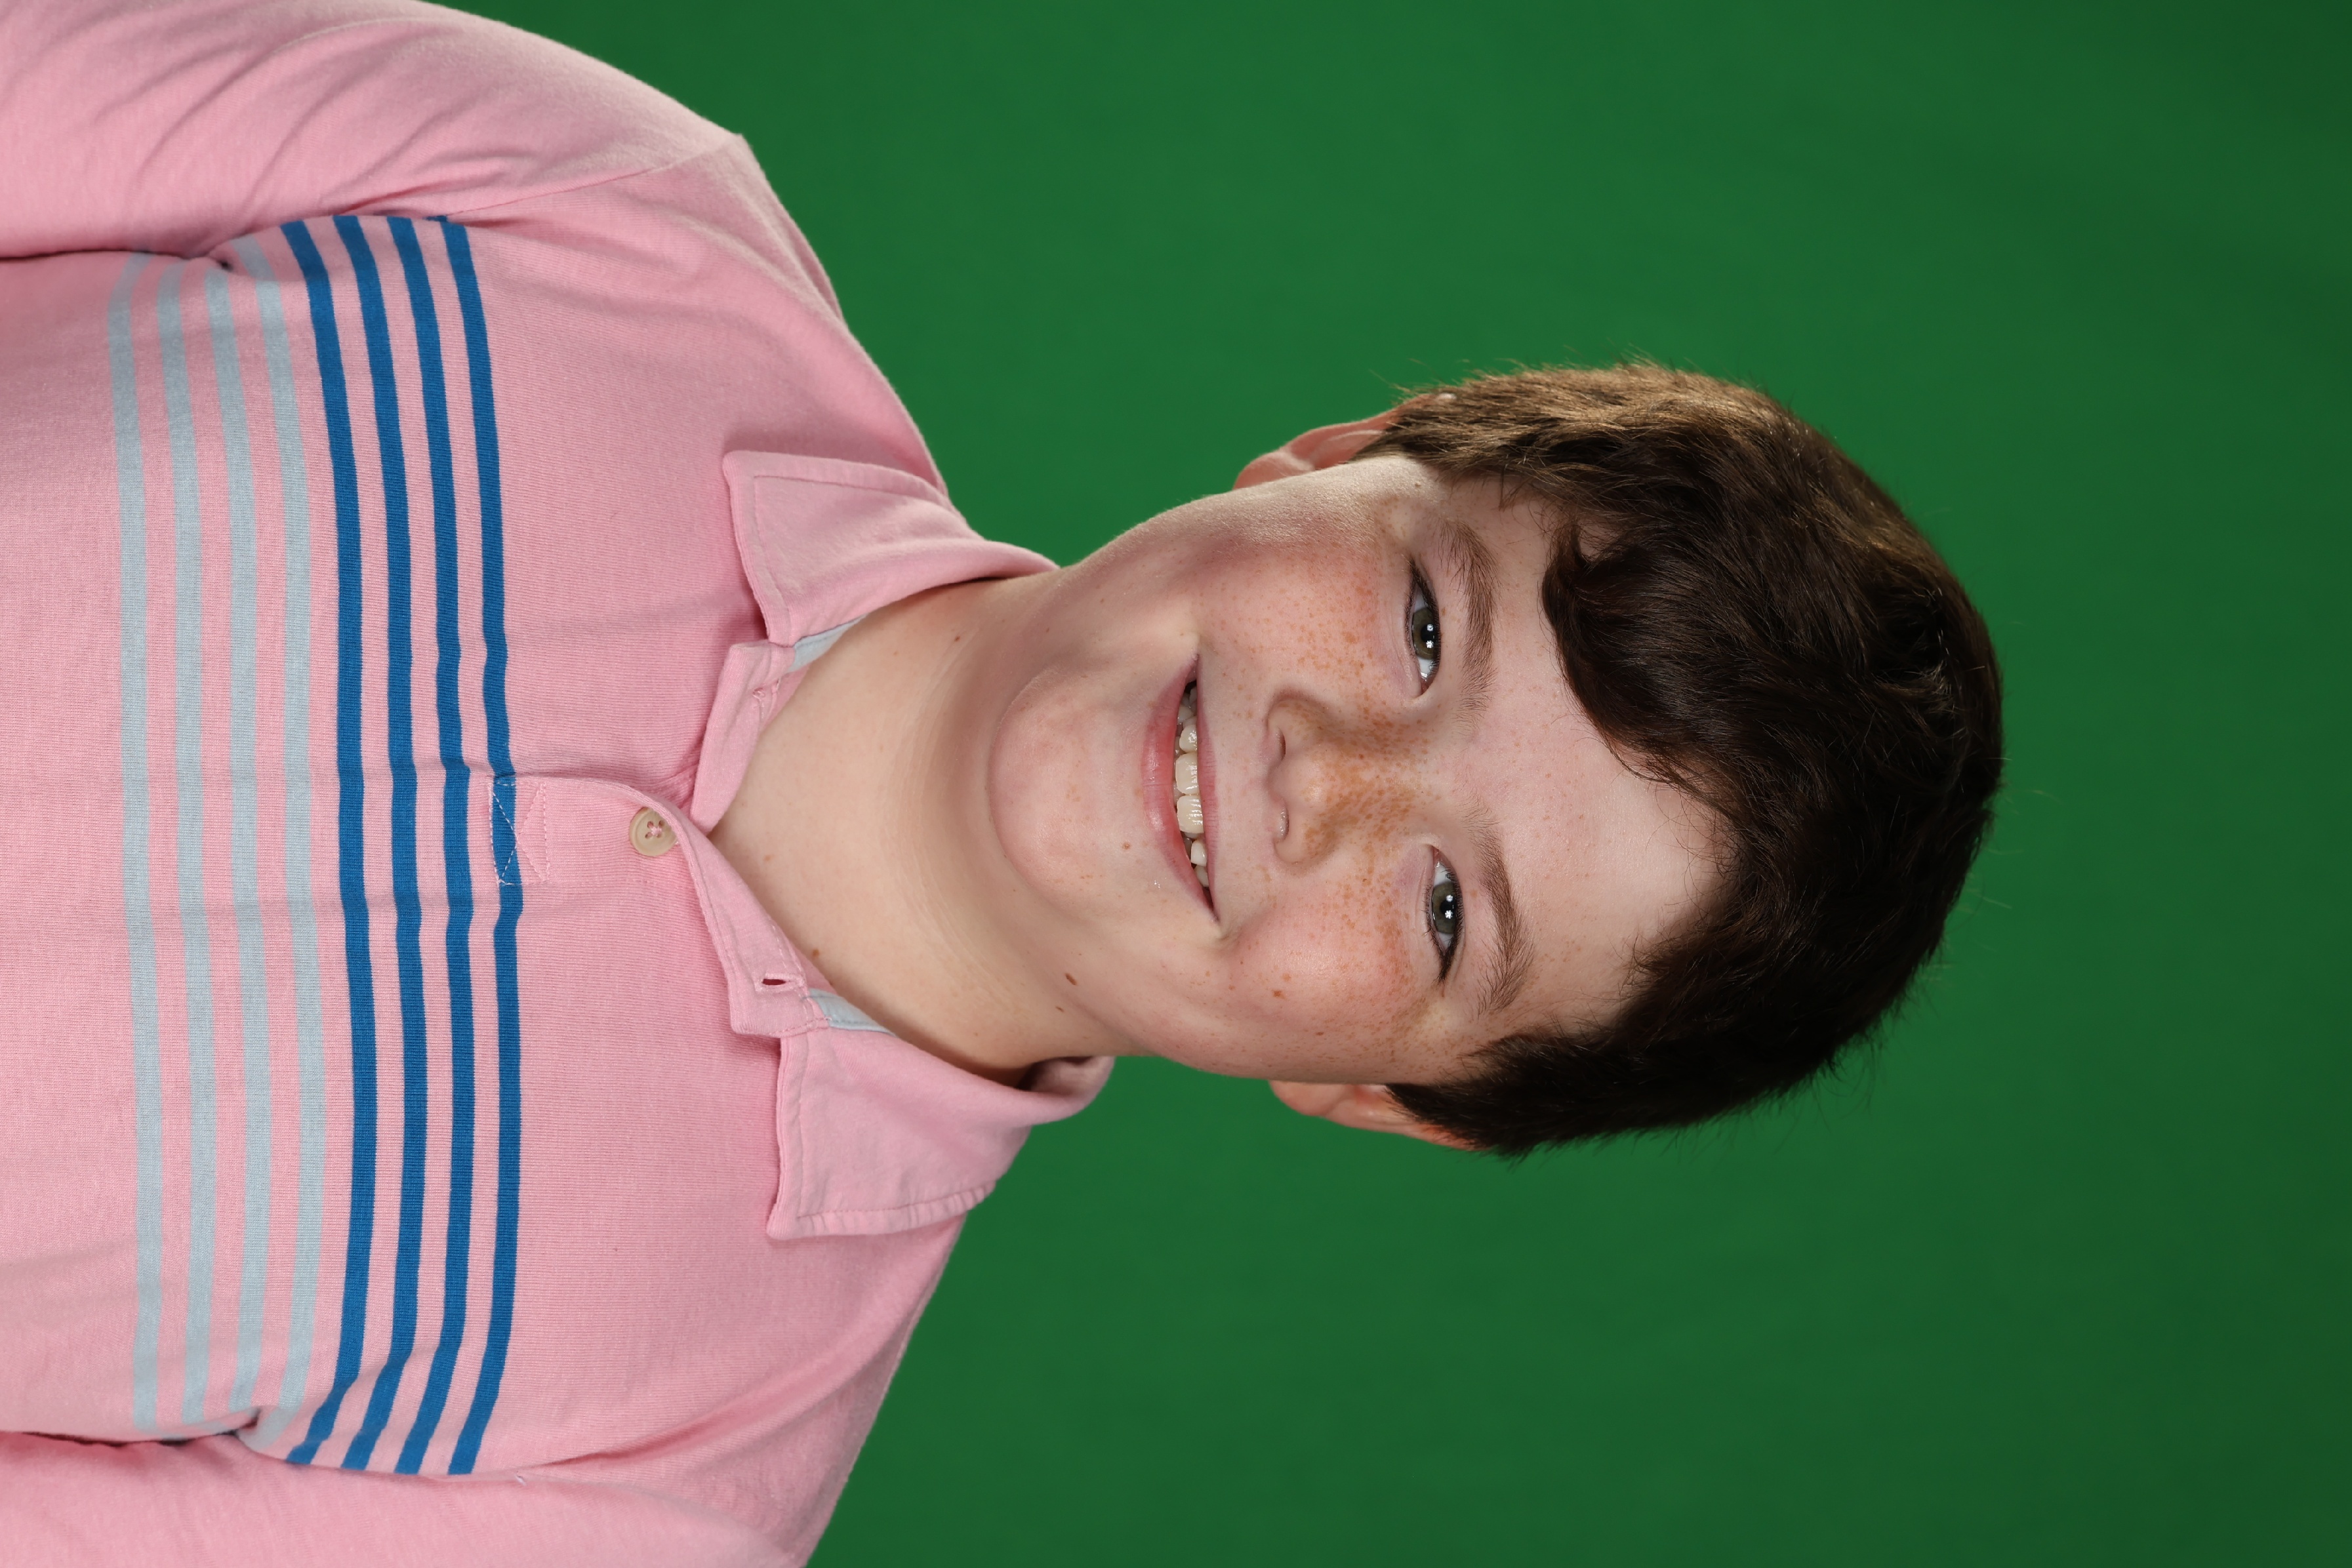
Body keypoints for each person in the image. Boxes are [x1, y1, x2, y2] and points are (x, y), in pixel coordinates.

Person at [0, 1, 2002, 1563]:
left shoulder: (636, 1496)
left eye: (1445, 907)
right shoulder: (586, 200)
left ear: (1389, 1100)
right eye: (1419, 625)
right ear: (1334, 456)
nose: (1323, 775)